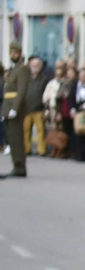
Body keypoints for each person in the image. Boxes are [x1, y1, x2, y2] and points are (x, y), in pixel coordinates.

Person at [3, 45, 27, 178]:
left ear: (20, 53)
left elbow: (21, 90)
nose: (13, 54)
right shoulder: (13, 69)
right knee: (11, 139)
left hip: (14, 109)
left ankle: (20, 167)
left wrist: (14, 108)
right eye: (11, 52)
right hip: (8, 108)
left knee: (16, 139)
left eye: (15, 52)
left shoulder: (22, 69)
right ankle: (16, 165)